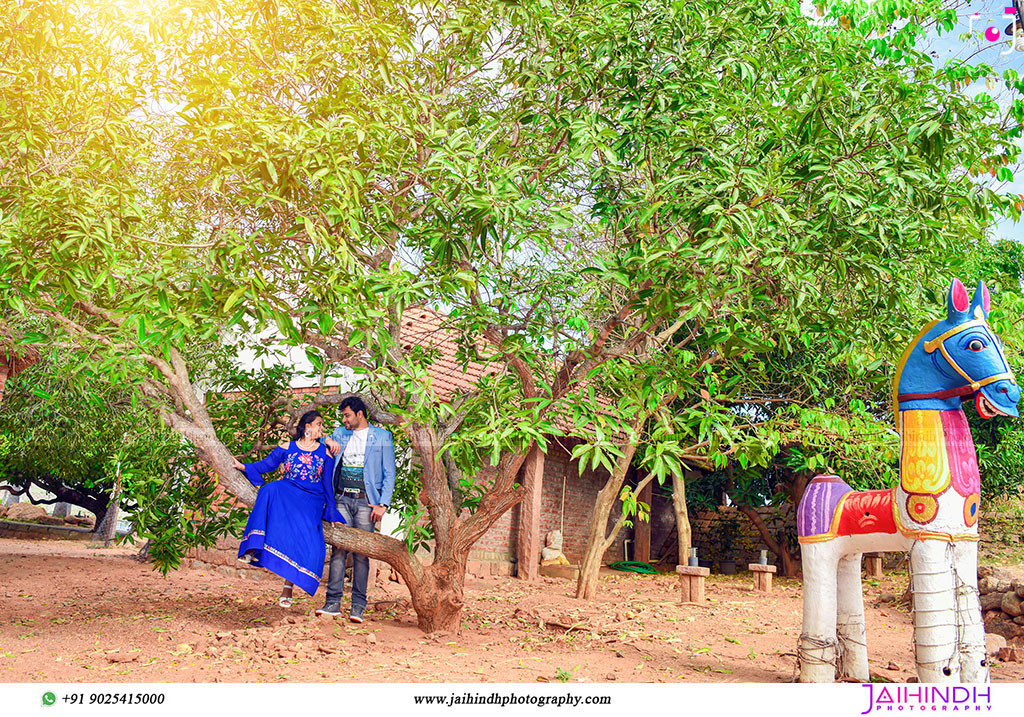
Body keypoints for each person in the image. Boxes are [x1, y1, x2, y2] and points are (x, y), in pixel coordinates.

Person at [232, 410, 345, 607]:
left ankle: (288, 585)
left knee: (301, 534)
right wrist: (243, 467)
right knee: (269, 489)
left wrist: (332, 511)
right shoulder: (287, 447)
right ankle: (252, 547)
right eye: (319, 424)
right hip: (289, 490)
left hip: (311, 498)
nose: (322, 428)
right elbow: (266, 465)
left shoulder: (325, 453)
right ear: (307, 426)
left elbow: (328, 485)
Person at [315, 396, 396, 622]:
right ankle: (332, 602)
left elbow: (389, 472)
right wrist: (328, 441)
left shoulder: (382, 437)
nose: (344, 419)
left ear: (360, 414)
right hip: (341, 498)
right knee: (338, 550)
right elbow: (319, 442)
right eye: (343, 416)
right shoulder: (340, 433)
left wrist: (383, 503)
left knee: (361, 554)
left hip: (366, 502)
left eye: (347, 415)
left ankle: (358, 605)